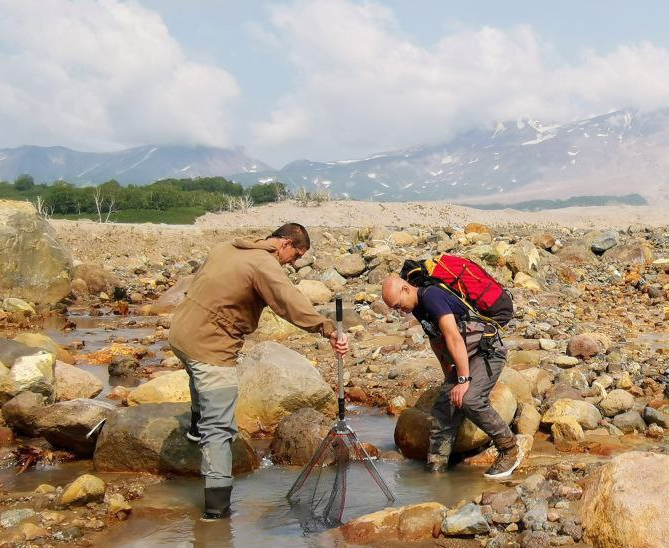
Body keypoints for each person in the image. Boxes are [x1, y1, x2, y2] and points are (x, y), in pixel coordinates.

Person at [168, 223, 348, 520]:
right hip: (211, 349)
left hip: (180, 336)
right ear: (286, 243)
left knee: (194, 373)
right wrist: (326, 327)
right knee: (220, 429)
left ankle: (195, 423)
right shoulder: (264, 264)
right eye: (297, 255)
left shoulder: (228, 246)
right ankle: (216, 512)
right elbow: (287, 301)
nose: (294, 262)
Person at [381, 273, 522, 479]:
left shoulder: (432, 296)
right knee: (442, 410)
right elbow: (437, 342)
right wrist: (450, 377)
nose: (398, 310)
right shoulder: (419, 307)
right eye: (394, 308)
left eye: (397, 304)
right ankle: (435, 470)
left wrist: (463, 380)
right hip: (466, 356)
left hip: (487, 352)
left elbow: (453, 336)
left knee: (470, 400)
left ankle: (509, 449)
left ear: (405, 289)